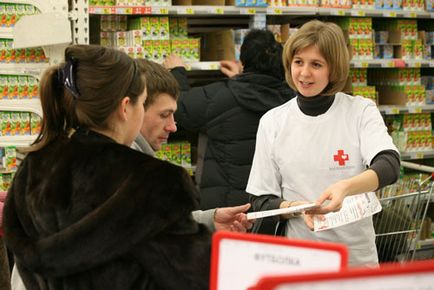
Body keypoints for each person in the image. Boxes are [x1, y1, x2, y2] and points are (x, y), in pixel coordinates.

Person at [3, 45, 211, 289]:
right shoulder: (155, 183)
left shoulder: (34, 169)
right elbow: (195, 276)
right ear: (125, 107)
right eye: (143, 103)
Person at [246, 20, 401, 267]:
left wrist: (345, 187)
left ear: (334, 69)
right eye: (298, 62)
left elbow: (389, 165)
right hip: (299, 259)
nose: (304, 73)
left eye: (316, 64)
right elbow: (262, 199)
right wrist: (295, 207)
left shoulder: (360, 111)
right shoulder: (273, 122)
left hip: (355, 259)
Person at [163, 29, 296, 210]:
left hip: (227, 207)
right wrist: (241, 78)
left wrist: (176, 71)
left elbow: (180, 106)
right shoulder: (292, 100)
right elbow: (260, 90)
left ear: (243, 61)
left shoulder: (220, 96)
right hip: (272, 204)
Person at [134, 58, 253, 232]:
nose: (173, 126)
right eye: (164, 114)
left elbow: (162, 223)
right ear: (131, 108)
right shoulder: (123, 170)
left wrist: (210, 220)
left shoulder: (139, 163)